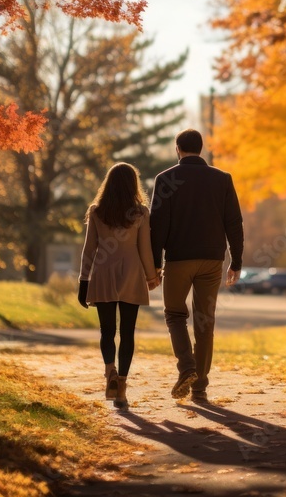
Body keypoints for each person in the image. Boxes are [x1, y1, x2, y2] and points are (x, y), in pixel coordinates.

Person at [150, 129, 243, 403]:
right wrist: (236, 261)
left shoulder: (166, 179)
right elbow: (234, 224)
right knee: (205, 323)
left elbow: (158, 226)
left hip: (178, 259)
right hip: (213, 260)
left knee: (175, 315)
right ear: (200, 149)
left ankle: (186, 366)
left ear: (177, 149)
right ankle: (200, 387)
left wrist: (155, 264)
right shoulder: (222, 179)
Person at [78, 163, 160, 408]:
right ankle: (121, 386)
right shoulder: (141, 213)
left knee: (107, 331)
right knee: (127, 332)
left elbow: (89, 249)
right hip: (132, 274)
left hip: (103, 274)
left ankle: (109, 372)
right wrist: (151, 276)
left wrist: (83, 281)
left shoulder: (96, 211)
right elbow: (144, 248)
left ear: (108, 184)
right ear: (133, 184)